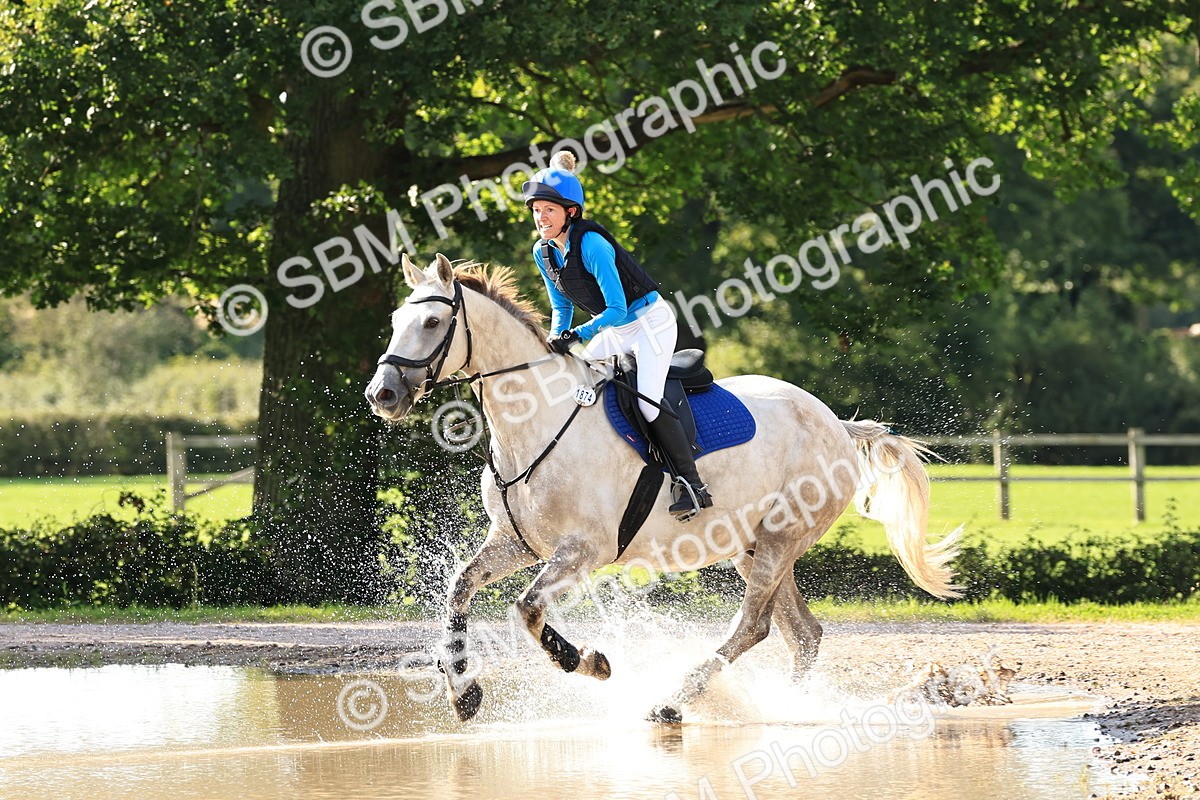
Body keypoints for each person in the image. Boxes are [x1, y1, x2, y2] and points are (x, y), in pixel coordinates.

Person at [522, 151, 713, 520]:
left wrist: (578, 333)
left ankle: (691, 484)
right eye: (537, 210)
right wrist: (556, 338)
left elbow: (617, 309)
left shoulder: (592, 245)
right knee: (575, 386)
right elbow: (561, 307)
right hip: (615, 328)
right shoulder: (542, 252)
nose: (541, 217)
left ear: (570, 212)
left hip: (650, 323)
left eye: (549, 210)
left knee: (648, 402)